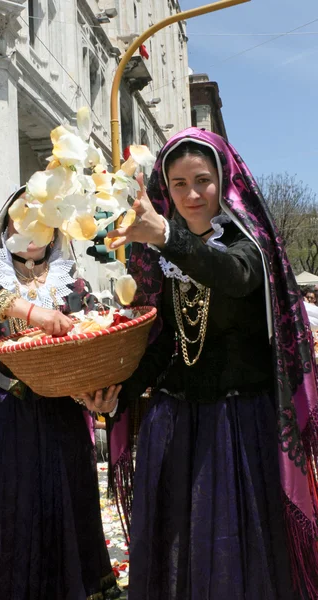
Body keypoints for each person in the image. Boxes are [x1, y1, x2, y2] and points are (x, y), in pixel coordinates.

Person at [77, 128, 318, 599]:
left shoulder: (249, 244)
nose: (191, 194)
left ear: (223, 180)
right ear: (164, 188)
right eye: (178, 184)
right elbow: (163, 343)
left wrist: (166, 235)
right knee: (176, 551)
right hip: (174, 425)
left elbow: (235, 277)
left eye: (202, 180)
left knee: (233, 550)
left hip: (238, 425)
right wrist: (116, 394)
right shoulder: (155, 254)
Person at [0, 186, 121, 600]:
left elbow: (87, 346)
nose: (30, 228)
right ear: (7, 219)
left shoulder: (72, 282)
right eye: (22, 215)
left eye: (43, 218)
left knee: (62, 512)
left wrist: (97, 395)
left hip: (60, 418)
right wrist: (29, 309)